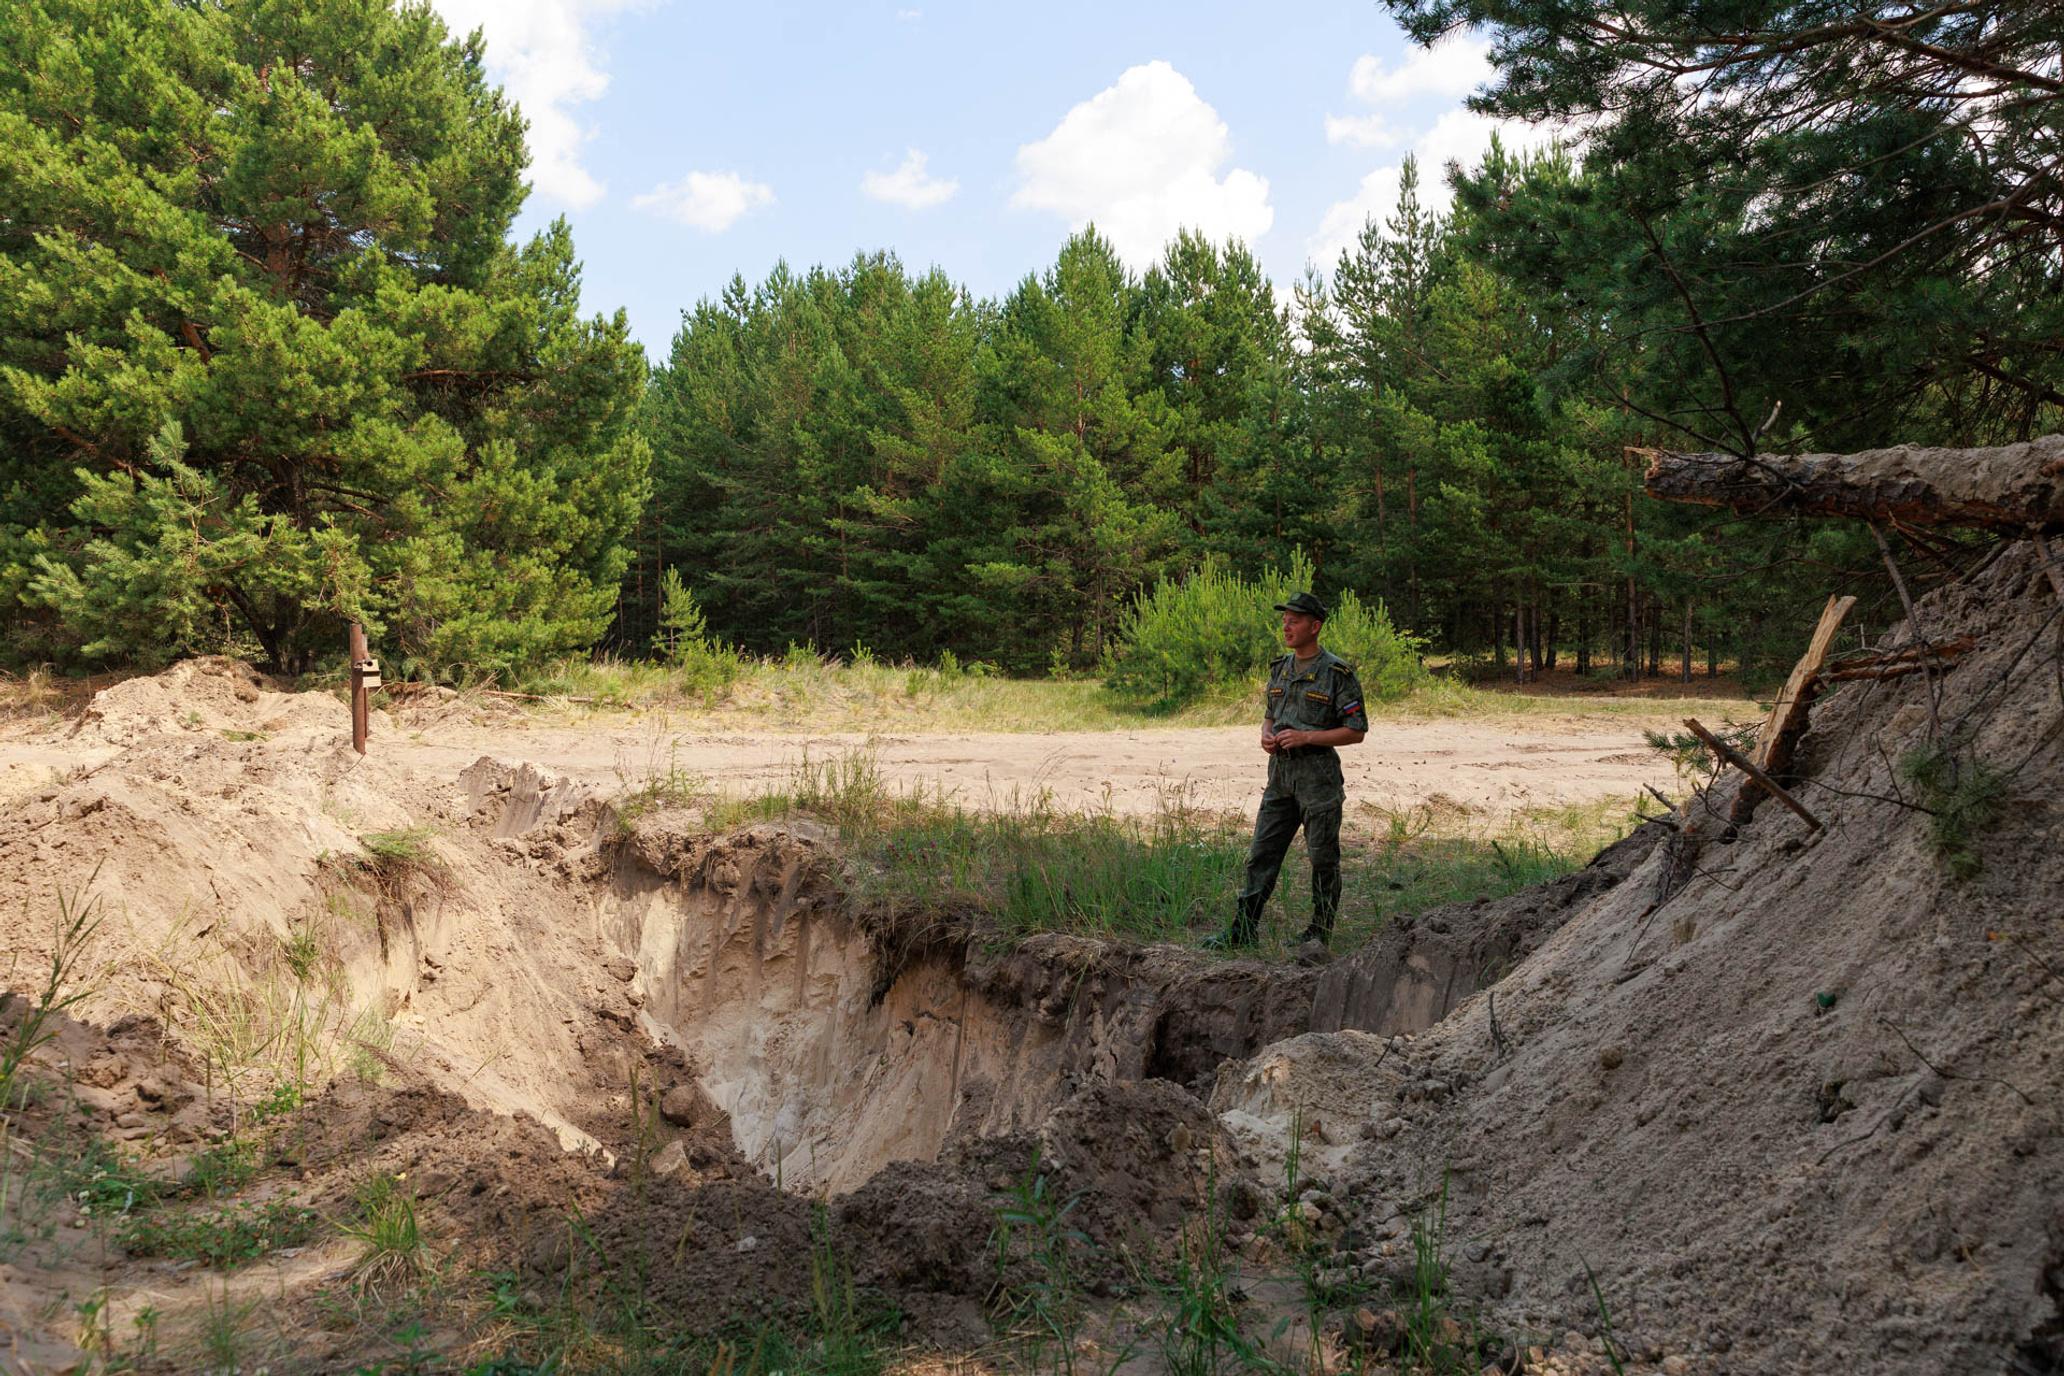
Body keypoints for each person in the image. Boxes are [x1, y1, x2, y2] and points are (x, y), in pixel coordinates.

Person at [1206, 592, 1369, 960]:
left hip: (1318, 781)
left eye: (1295, 621)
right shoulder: (1280, 668)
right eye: (1285, 620)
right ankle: (1243, 929)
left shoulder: (1336, 673)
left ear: (1315, 626)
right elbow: (1270, 712)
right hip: (1280, 777)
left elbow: (1356, 730)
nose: (1287, 626)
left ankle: (1319, 933)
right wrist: (1266, 734)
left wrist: (1307, 736)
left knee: (1323, 858)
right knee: (1261, 853)